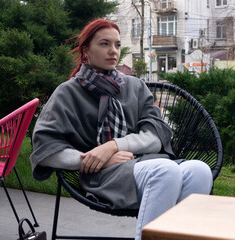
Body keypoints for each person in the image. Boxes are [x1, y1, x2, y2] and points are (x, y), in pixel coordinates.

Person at [29, 18, 213, 240]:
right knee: (166, 171)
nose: (113, 51)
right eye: (104, 44)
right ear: (86, 51)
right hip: (102, 176)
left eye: (117, 44)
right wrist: (96, 159)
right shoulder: (68, 93)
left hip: (143, 163)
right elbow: (45, 148)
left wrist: (112, 146)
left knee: (200, 170)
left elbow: (156, 137)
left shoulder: (135, 86)